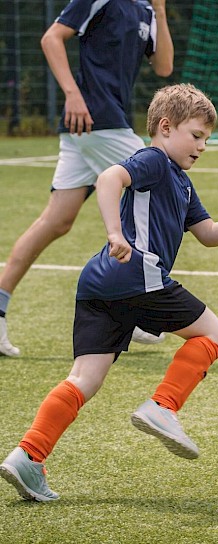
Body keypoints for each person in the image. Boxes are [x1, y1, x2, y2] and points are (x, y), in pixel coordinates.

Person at [0, 83, 218, 502]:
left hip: (99, 284)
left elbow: (207, 233)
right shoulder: (154, 160)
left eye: (206, 137)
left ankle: (29, 455)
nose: (202, 146)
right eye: (196, 135)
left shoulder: (182, 183)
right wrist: (115, 232)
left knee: (84, 378)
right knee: (213, 334)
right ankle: (163, 406)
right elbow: (110, 177)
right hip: (137, 275)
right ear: (165, 128)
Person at [0, 0, 175, 357]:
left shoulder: (145, 9)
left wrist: (160, 10)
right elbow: (52, 38)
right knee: (158, 189)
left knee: (57, 221)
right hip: (97, 119)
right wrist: (72, 95)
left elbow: (164, 66)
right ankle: (138, 308)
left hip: (93, 127)